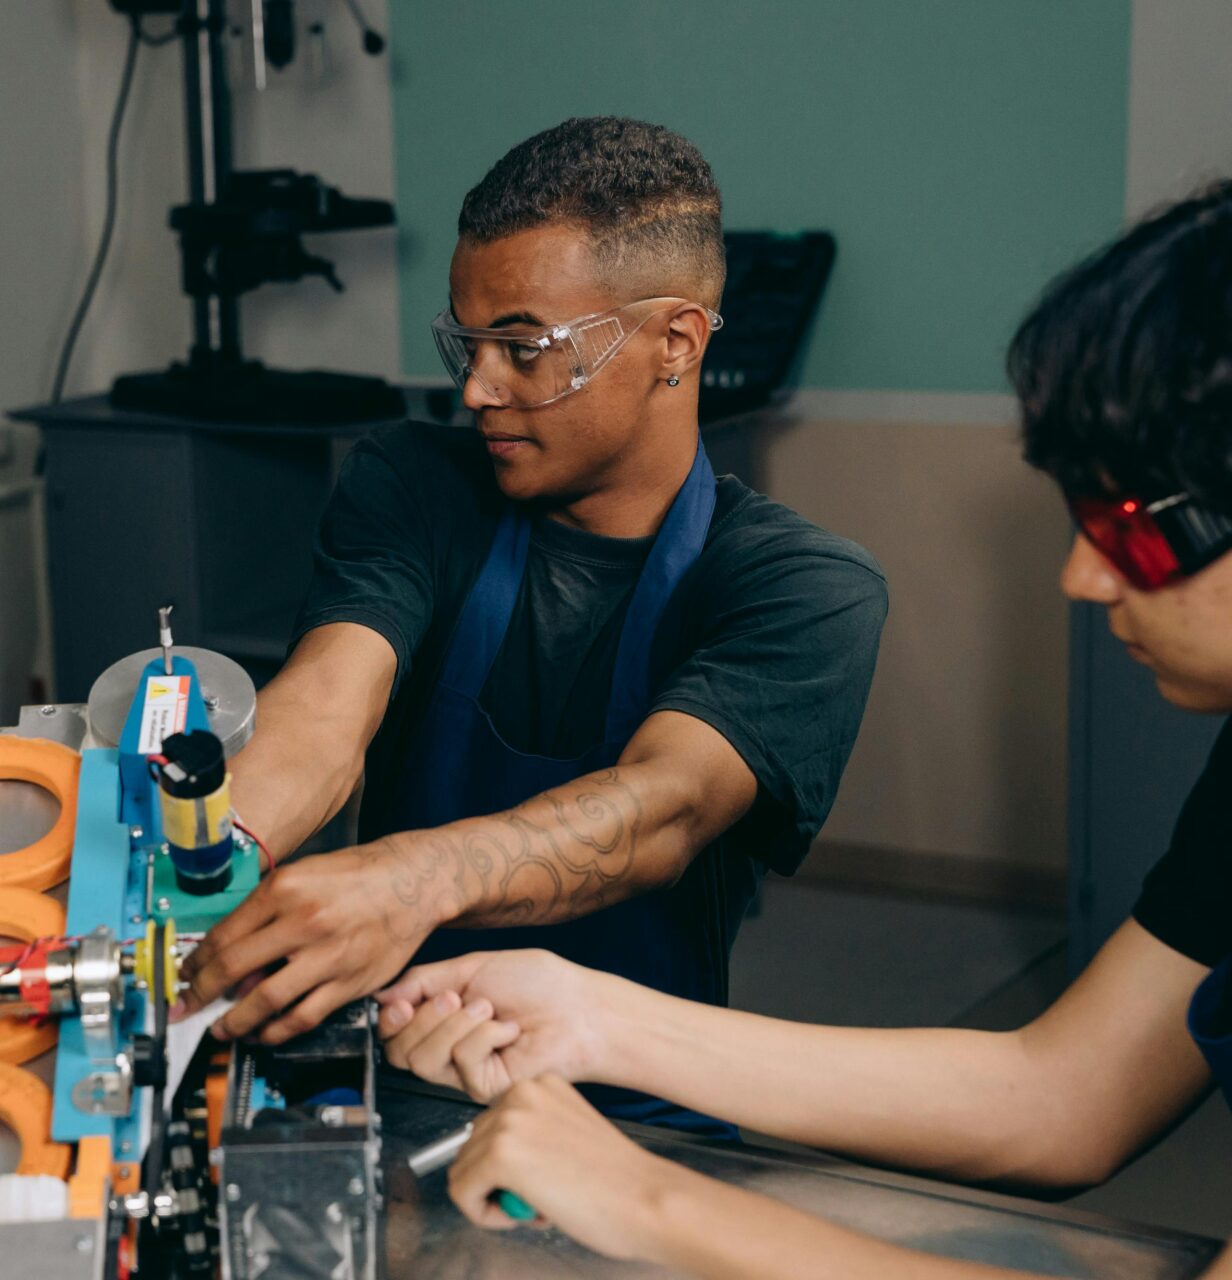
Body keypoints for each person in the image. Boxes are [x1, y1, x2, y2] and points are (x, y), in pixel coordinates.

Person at [375, 180, 1232, 1277]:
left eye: (1132, 529)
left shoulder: (799, 577)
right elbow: (1069, 1095)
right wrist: (593, 1020)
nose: (1083, 577)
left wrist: (654, 1202)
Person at [176, 116, 888, 1130]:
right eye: (468, 345)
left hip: (637, 1117)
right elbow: (327, 706)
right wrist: (208, 856)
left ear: (676, 343)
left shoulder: (800, 586)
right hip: (394, 1077)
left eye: (523, 348)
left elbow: (662, 808)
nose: (478, 388)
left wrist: (410, 881)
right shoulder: (414, 485)